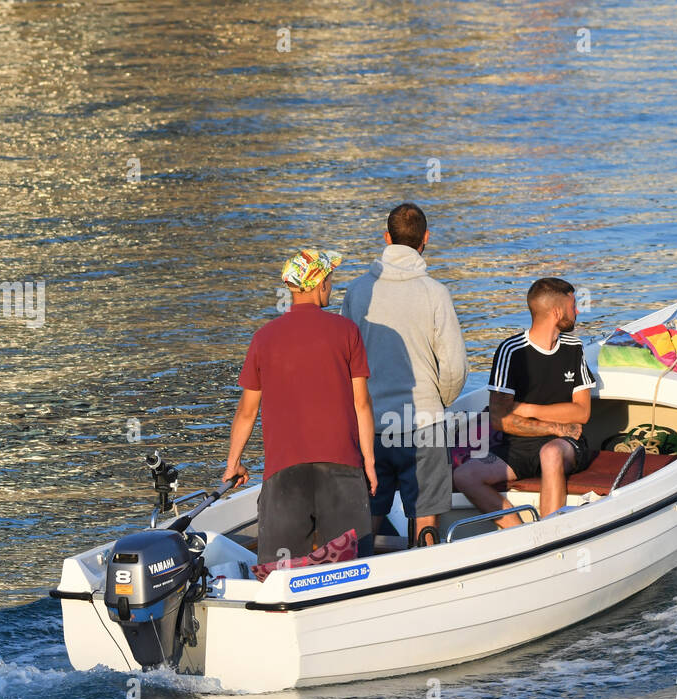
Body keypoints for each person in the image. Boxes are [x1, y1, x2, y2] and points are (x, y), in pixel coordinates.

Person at [222, 248, 378, 564]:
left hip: (283, 475)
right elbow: (361, 404)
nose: (331, 287)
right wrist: (370, 463)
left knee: (279, 574)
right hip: (342, 469)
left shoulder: (263, 339)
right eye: (330, 280)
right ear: (319, 283)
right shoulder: (347, 331)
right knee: (353, 570)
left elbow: (247, 411)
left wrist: (233, 463)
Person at [340, 203, 468, 546]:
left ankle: (357, 576)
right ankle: (426, 577)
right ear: (426, 238)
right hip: (423, 423)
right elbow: (454, 368)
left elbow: (345, 363)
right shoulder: (435, 293)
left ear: (386, 238)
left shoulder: (357, 291)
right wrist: (437, 400)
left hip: (373, 426)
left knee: (367, 515)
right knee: (425, 516)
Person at [453, 277, 594, 525]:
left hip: (565, 444)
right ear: (557, 311)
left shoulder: (574, 347)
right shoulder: (511, 350)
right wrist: (555, 425)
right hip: (519, 446)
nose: (578, 311)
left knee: (549, 452)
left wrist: (526, 409)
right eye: (573, 306)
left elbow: (581, 413)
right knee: (465, 476)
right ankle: (521, 535)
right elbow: (499, 419)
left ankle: (550, 535)